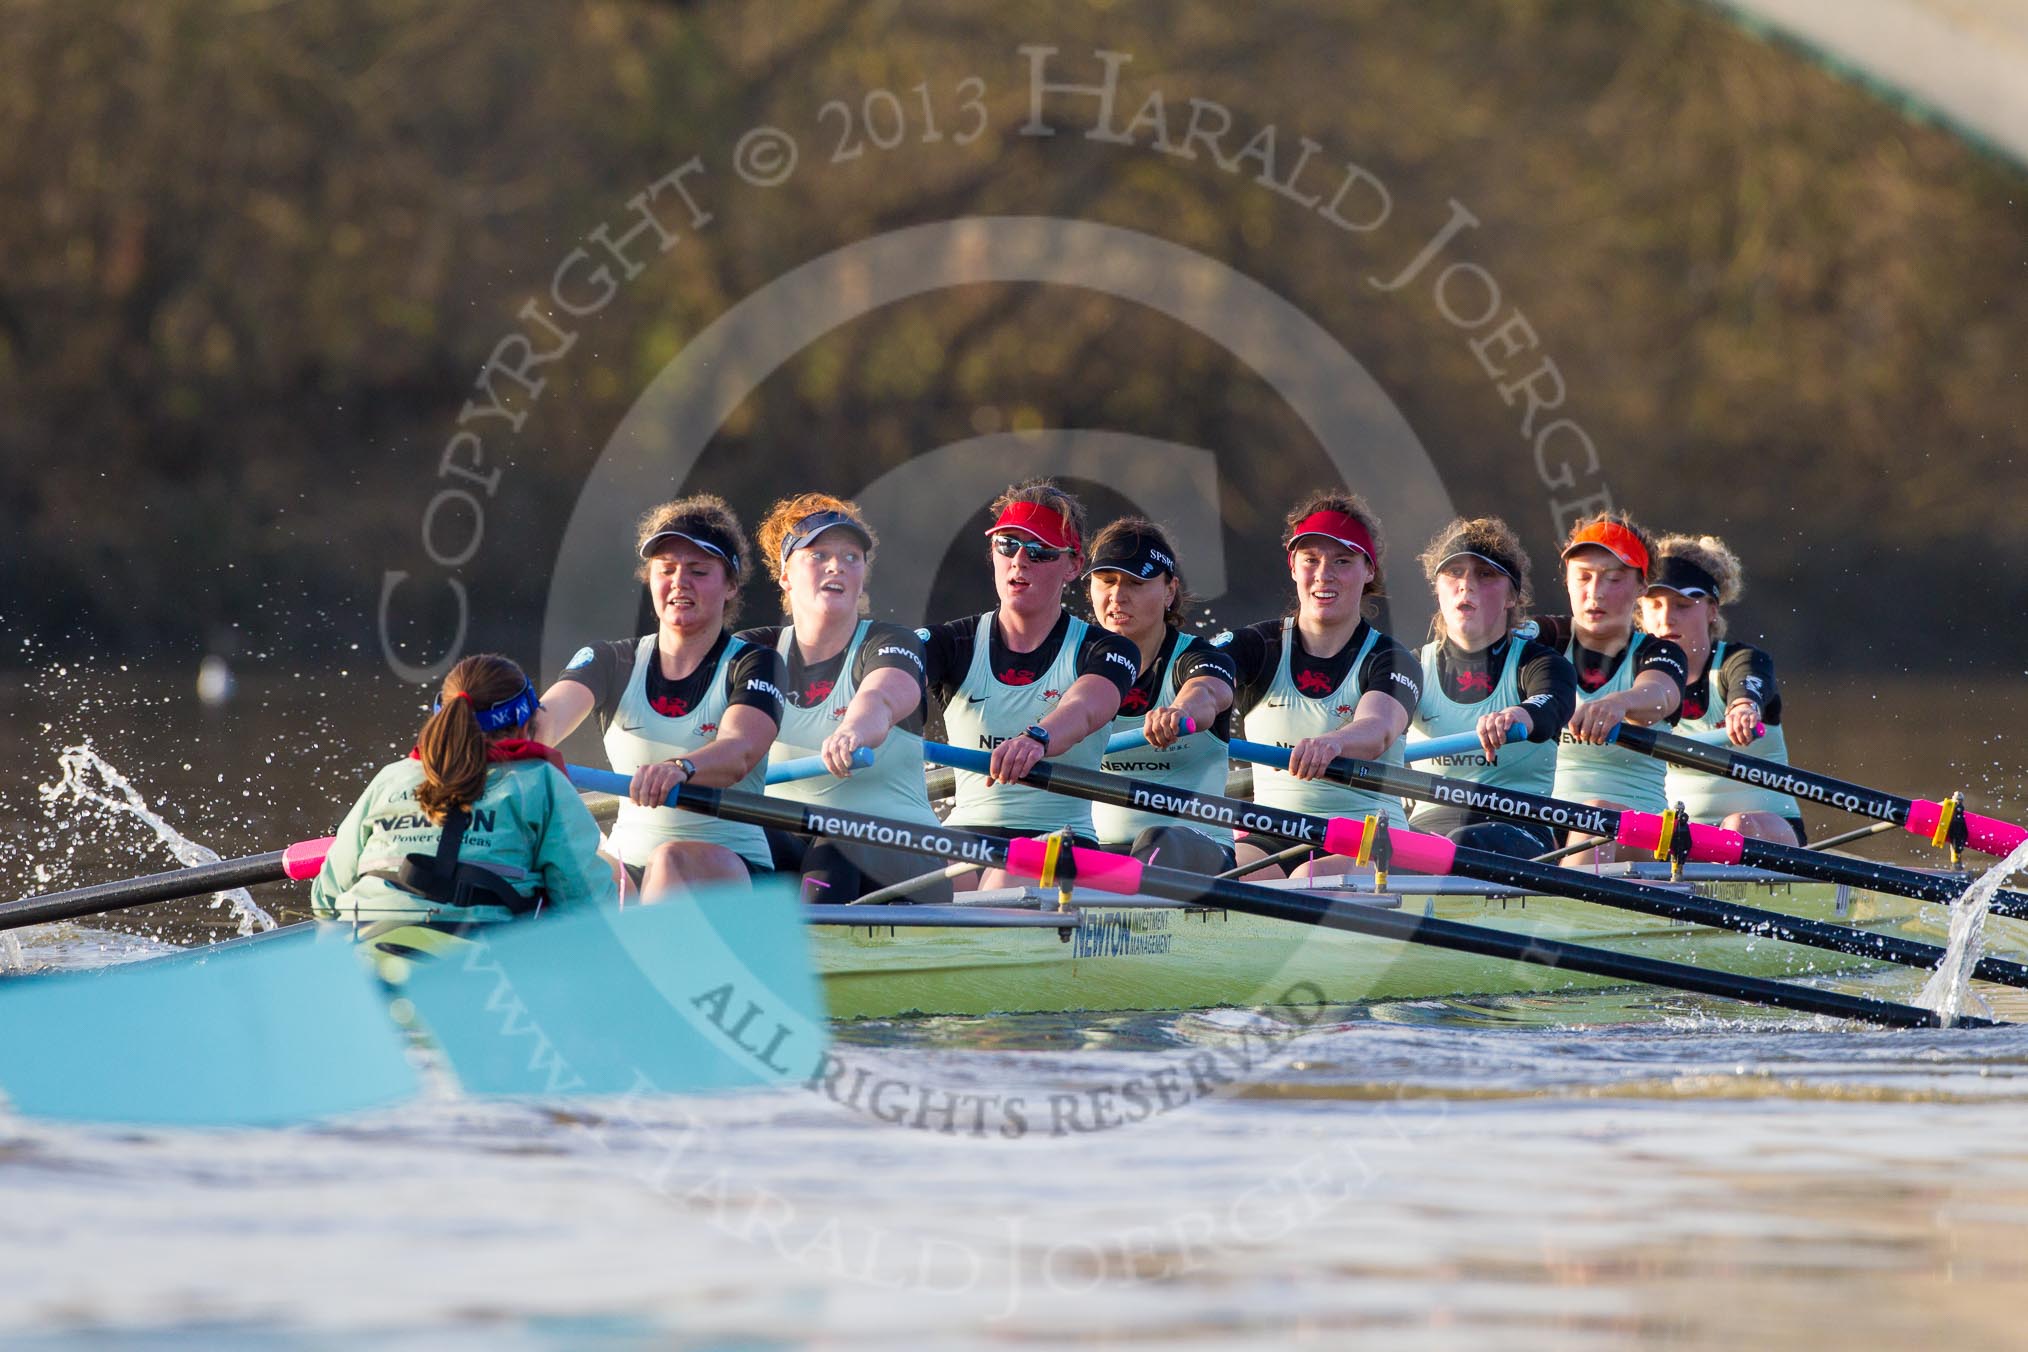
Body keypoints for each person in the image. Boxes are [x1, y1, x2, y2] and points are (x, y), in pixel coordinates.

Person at [532, 495, 786, 898]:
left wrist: (681, 767)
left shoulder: (755, 663)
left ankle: (631, 952)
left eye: (699, 571)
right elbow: (543, 723)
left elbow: (739, 751)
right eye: (666, 570)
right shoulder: (609, 659)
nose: (680, 582)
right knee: (564, 864)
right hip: (629, 871)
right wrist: (483, 738)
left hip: (732, 870)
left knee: (670, 861)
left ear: (732, 586)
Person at [312, 653, 617, 948]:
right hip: (480, 972)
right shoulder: (542, 783)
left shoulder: (391, 777)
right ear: (527, 722)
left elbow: (326, 898)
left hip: (366, 956)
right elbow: (587, 907)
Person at [920, 479, 1138, 888]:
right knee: (908, 877)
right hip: (968, 833)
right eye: (1007, 545)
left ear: (1073, 566)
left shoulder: (1105, 649)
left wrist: (1037, 738)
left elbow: (1087, 706)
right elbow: (889, 679)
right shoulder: (954, 642)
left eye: (1039, 551)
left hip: (1065, 837)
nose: (1020, 560)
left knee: (1003, 881)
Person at [738, 492, 950, 902]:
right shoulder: (753, 652)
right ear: (785, 575)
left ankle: (811, 956)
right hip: (795, 844)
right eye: (819, 555)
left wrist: (853, 731)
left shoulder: (892, 641)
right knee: (722, 840)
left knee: (838, 841)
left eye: (851, 557)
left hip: (901, 854)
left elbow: (883, 696)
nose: (837, 565)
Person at [1219, 491, 1423, 880]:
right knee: (1229, 876)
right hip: (1272, 833)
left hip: (1364, 831)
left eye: (1342, 561)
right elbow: (1203, 681)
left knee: (1309, 883)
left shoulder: (1393, 660)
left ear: (1368, 571)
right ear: (1293, 567)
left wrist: (1334, 743)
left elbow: (1378, 729)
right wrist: (1182, 706)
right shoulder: (1255, 646)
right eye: (1311, 559)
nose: (1324, 574)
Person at [1405, 517, 1577, 858]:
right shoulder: (1408, 668)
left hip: (1519, 828)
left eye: (1485, 574)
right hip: (1425, 831)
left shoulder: (1540, 664)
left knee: (1459, 844)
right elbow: (1374, 722)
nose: (1466, 585)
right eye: (1454, 572)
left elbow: (1552, 704)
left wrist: (1519, 715)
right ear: (1437, 588)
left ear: (1512, 595)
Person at [1082, 516, 1239, 874]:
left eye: (1136, 583)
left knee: (1157, 842)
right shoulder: (1075, 659)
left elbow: (1207, 694)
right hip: (1100, 849)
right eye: (1106, 581)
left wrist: (1179, 711)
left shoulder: (1200, 658)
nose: (1117, 596)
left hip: (1194, 850)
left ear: (1170, 591)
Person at [1531, 511, 1688, 859]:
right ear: (1567, 581)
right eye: (1583, 577)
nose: (1595, 593)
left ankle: (1564, 907)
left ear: (1642, 586)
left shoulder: (1660, 651)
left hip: (1642, 835)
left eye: (1613, 580)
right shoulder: (1542, 637)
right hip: (1547, 824)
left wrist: (1620, 703)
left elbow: (1662, 694)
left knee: (1597, 814)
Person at [1636, 534, 1806, 844]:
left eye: (1682, 605)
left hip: (1765, 833)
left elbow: (1749, 680)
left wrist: (1744, 707)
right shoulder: (1633, 677)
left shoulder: (1739, 661)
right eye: (1654, 605)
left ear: (1712, 609)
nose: (1666, 618)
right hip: (1679, 840)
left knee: (1738, 825)